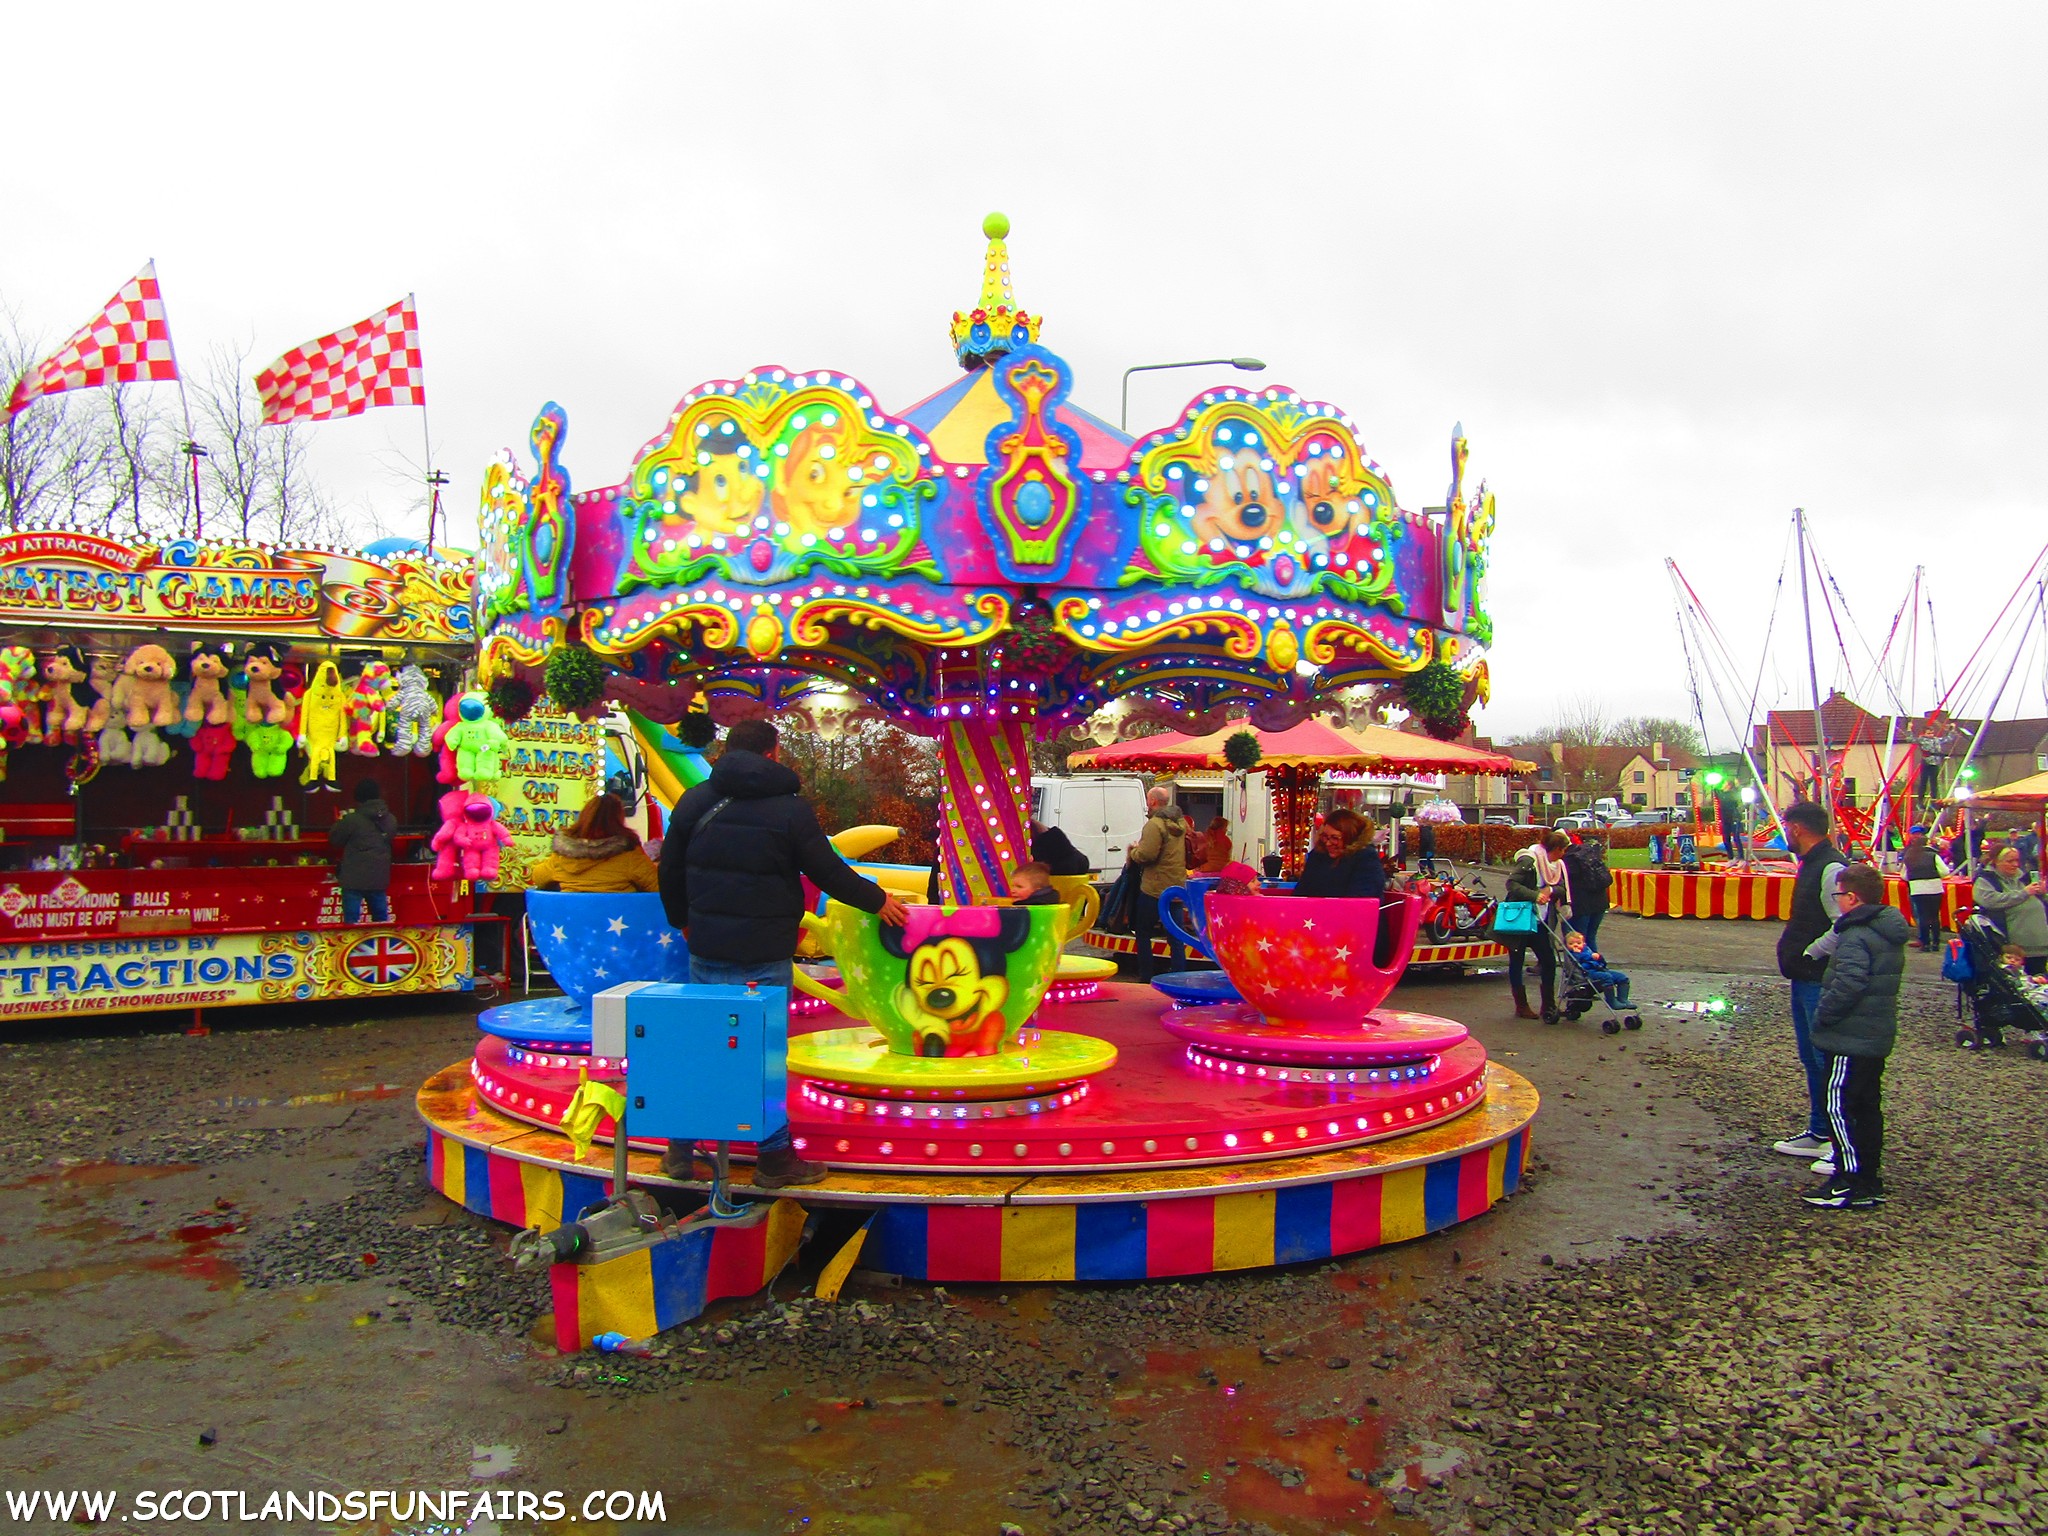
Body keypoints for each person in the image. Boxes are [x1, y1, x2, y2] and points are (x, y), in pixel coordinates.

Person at [658, 718, 910, 1187]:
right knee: (763, 1050)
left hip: (707, 944)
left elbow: (670, 870)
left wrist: (683, 922)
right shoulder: (790, 810)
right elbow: (828, 870)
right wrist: (880, 902)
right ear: (773, 754)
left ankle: (680, 1147)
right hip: (766, 949)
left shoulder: (694, 802)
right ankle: (773, 1159)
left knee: (706, 1042)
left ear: (728, 749)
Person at [1803, 863, 1907, 1209]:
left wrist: (1824, 1015)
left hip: (1851, 1035)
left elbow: (1850, 982)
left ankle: (1848, 1179)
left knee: (1839, 1104)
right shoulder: (1886, 930)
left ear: (1851, 897)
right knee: (1866, 1106)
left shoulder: (1855, 934)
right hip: (1874, 1033)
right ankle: (1868, 1179)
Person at [1772, 801, 1848, 1161]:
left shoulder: (1830, 868)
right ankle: (1820, 1128)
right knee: (1810, 1055)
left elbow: (1843, 921)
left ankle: (1835, 1134)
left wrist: (1811, 952)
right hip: (1805, 976)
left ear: (1797, 828)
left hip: (1818, 977)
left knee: (1823, 1057)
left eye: (1787, 827)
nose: (1785, 833)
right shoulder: (1814, 864)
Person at [526, 793, 659, 892]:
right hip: (618, 926)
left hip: (572, 924)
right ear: (618, 820)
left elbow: (538, 878)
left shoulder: (561, 856)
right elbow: (658, 886)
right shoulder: (630, 855)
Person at [1502, 830, 1570, 1022]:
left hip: (1540, 920)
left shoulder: (1556, 866)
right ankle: (1521, 1006)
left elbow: (1562, 888)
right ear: (1556, 849)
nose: (1564, 854)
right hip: (1520, 919)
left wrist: (1551, 889)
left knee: (1548, 961)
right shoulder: (1529, 861)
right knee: (1517, 961)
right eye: (1563, 850)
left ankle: (1548, 1005)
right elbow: (1512, 884)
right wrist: (1534, 895)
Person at [1126, 786, 1189, 979]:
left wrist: (1133, 851)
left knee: (1143, 931)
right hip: (1176, 887)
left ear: (1153, 801)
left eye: (1147, 799)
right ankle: (1179, 975)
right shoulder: (1180, 822)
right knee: (1176, 935)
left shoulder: (1154, 825)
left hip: (1154, 888)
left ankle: (1146, 974)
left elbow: (1147, 855)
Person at [329, 778, 396, 924]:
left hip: (354, 879)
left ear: (358, 797)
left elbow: (335, 840)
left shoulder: (352, 820)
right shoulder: (390, 819)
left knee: (351, 924)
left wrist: (339, 822)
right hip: (379, 877)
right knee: (381, 923)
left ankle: (353, 947)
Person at [1973, 846, 2048, 976]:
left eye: (2017, 860)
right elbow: (1990, 901)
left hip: (2040, 944)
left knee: (2040, 979)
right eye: (2010, 861)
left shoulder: (2024, 878)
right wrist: (2024, 893)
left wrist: (2042, 893)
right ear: (1996, 861)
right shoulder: (1985, 880)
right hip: (2015, 949)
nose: (2015, 864)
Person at [1295, 810, 1387, 899]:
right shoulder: (1318, 855)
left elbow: (1361, 900)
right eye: (1325, 837)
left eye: (1335, 838)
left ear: (1350, 838)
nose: (1328, 843)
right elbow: (1301, 893)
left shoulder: (1366, 858)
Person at [1899, 827, 1951, 952]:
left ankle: (1925, 943)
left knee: (1922, 917)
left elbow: (1903, 875)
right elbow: (1945, 871)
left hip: (1917, 888)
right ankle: (1936, 942)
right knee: (1934, 916)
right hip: (1934, 888)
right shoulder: (1933, 855)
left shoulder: (1909, 856)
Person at [1561, 835, 1612, 950]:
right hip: (1600, 902)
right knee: (1590, 938)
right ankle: (1594, 965)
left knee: (1576, 940)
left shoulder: (1567, 860)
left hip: (1581, 906)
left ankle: (1580, 967)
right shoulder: (1587, 852)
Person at [1563, 929, 1632, 1008]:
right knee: (1606, 977)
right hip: (1587, 973)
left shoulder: (1587, 950)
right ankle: (1611, 1001)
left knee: (1622, 977)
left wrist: (1599, 957)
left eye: (1578, 943)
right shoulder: (1572, 954)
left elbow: (1602, 962)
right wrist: (1580, 954)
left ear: (1584, 943)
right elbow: (1578, 962)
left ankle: (1623, 999)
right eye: (1571, 943)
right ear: (1566, 945)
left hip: (1599, 969)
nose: (1575, 945)